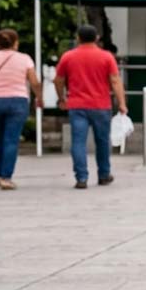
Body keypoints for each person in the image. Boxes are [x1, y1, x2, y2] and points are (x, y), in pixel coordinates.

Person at [55, 25, 127, 189]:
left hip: (77, 106)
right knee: (102, 141)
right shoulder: (106, 57)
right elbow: (115, 81)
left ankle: (81, 178)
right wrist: (121, 103)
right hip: (101, 105)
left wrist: (61, 98)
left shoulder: (68, 56)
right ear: (97, 39)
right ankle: (103, 175)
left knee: (78, 142)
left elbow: (58, 80)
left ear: (78, 38)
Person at [0, 29, 42, 190]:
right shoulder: (25, 59)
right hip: (17, 102)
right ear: (16, 43)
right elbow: (34, 82)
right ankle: (6, 177)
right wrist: (39, 97)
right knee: (11, 139)